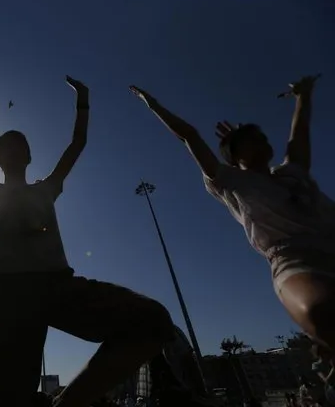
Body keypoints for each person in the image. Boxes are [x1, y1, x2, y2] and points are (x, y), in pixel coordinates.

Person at [0, 75, 174, 407]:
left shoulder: (46, 188)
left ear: (29, 157)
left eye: (20, 148)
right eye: (5, 149)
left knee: (152, 319)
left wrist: (82, 99)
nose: (13, 152)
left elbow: (77, 143)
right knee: (9, 397)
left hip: (56, 285)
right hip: (7, 296)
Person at [129, 75, 335, 352]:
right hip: (294, 258)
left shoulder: (291, 171)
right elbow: (188, 135)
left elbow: (298, 132)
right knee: (322, 312)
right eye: (252, 140)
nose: (263, 141)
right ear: (235, 155)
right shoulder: (228, 180)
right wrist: (152, 103)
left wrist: (303, 96)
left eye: (262, 137)